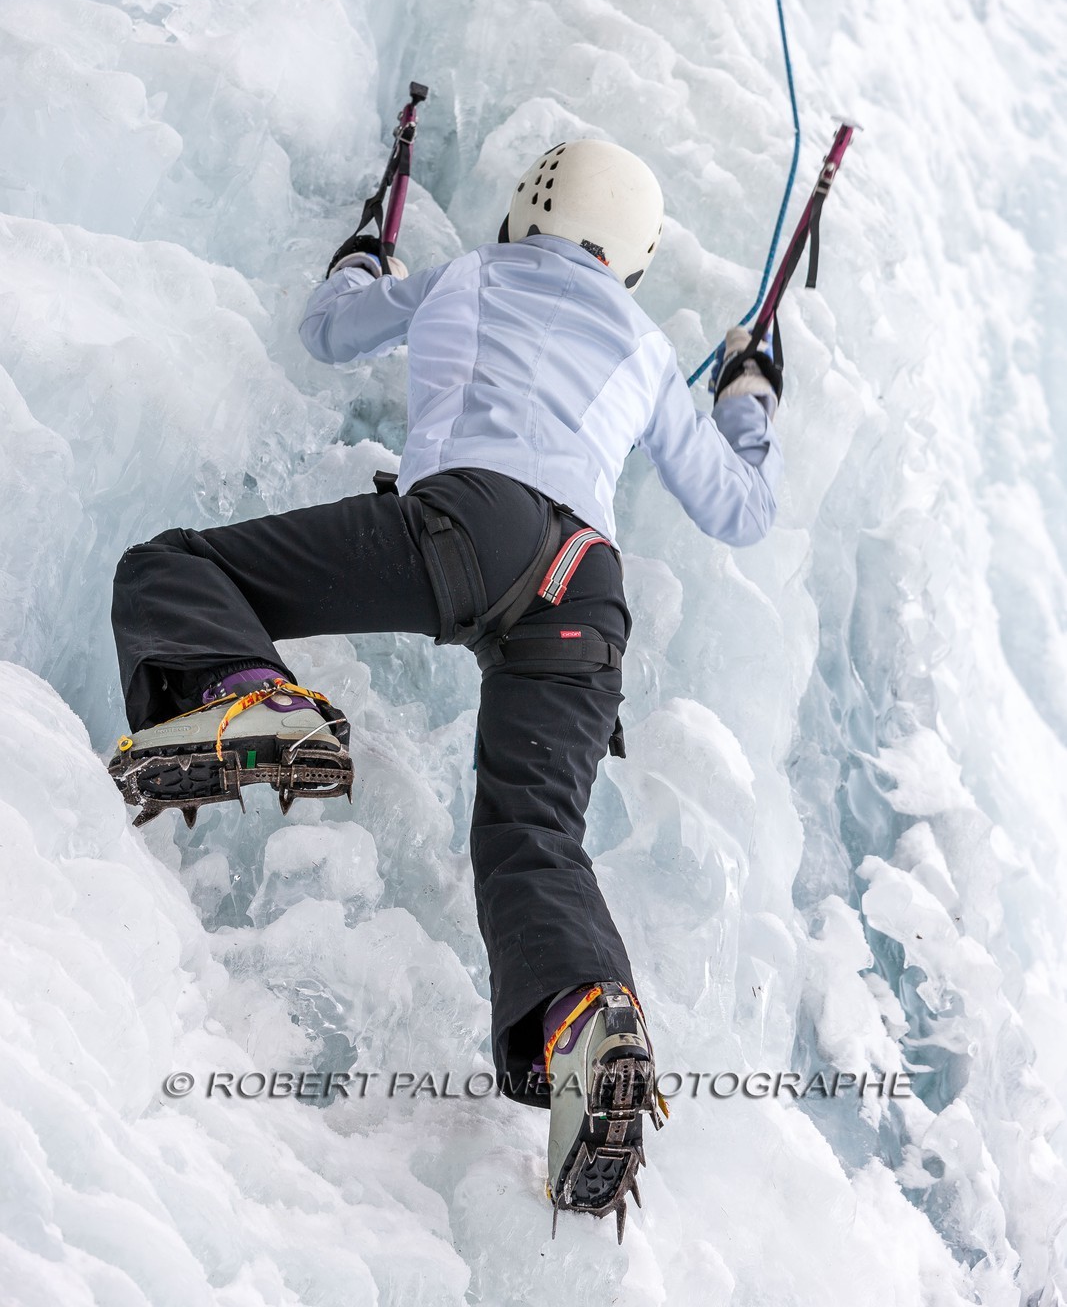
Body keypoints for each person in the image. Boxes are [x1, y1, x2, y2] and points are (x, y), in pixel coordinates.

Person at [109, 137, 783, 1240]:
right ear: (632, 255)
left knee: (176, 563)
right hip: (585, 590)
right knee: (530, 837)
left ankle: (247, 695)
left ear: (531, 206)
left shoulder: (472, 271)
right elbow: (737, 508)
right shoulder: (651, 349)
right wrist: (748, 393)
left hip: (469, 525)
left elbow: (331, 330)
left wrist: (362, 254)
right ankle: (584, 1019)